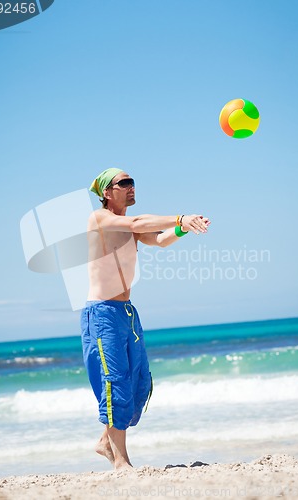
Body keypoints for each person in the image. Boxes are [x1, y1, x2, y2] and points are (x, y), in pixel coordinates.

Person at [80, 167, 210, 470]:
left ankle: (104, 441)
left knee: (139, 385)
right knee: (115, 383)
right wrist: (180, 217)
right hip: (101, 313)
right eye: (123, 183)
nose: (131, 187)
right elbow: (137, 221)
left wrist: (184, 229)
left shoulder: (129, 227)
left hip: (126, 312)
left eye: (132, 182)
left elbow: (160, 240)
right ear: (106, 192)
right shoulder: (100, 219)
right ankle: (121, 462)